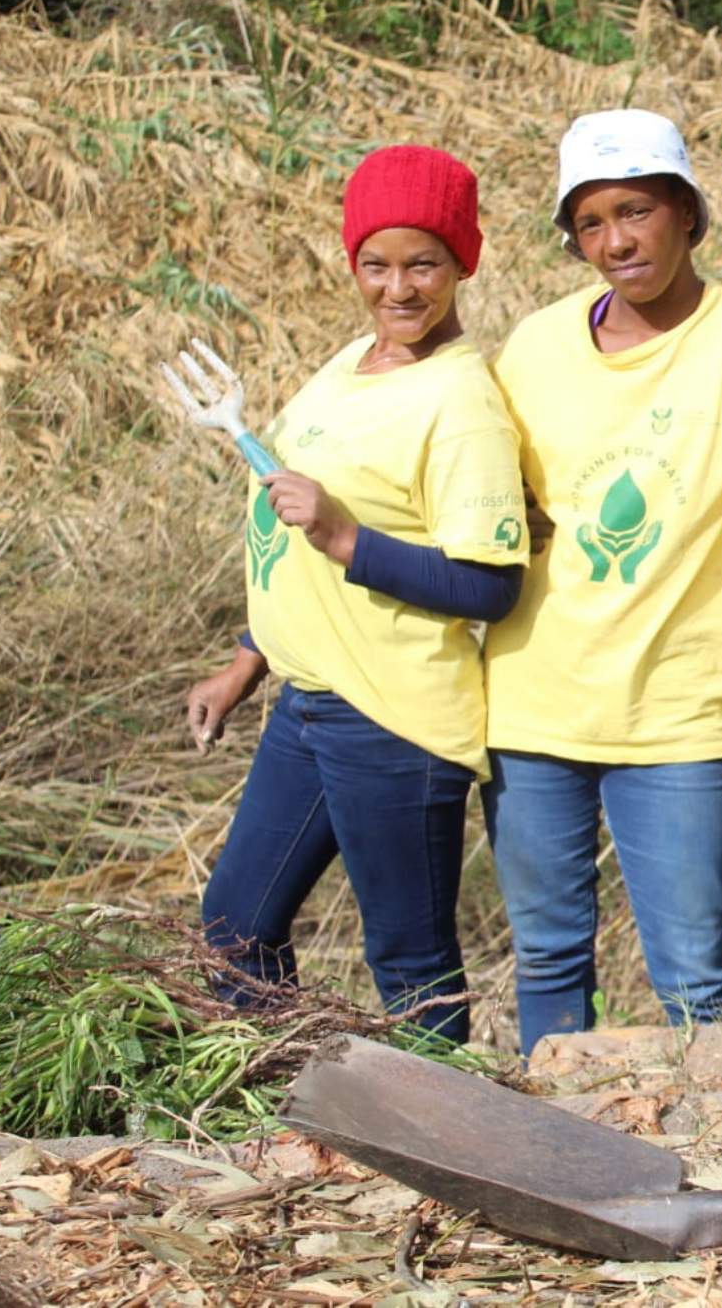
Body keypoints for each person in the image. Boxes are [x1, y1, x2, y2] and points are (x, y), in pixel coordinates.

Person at [483, 109, 722, 1057]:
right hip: (532, 703)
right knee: (548, 956)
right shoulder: (537, 347)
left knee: (694, 971)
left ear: (688, 214)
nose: (616, 242)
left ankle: (721, 1160)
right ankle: (557, 1153)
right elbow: (505, 497)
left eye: (635, 212)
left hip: (679, 711)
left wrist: (721, 631)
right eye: (589, 224)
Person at [190, 145, 528, 1045]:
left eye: (424, 263)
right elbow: (284, 536)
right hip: (309, 701)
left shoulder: (463, 400)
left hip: (395, 715)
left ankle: (446, 1155)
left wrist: (345, 535)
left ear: (465, 260)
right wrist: (244, 663)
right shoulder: (353, 363)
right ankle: (294, 1103)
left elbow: (489, 586)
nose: (400, 288)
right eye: (377, 265)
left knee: (409, 961)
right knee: (232, 930)